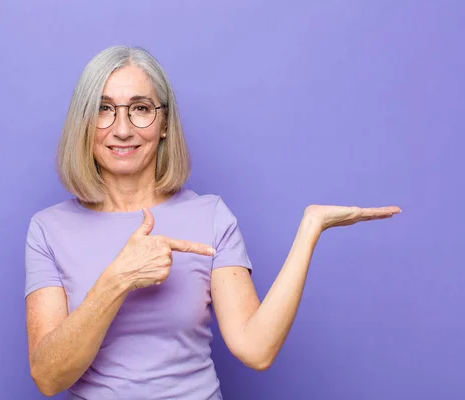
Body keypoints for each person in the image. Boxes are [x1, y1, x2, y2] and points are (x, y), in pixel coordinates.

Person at [24, 45, 401, 399]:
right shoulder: (49, 229)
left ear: (165, 123)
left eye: (140, 108)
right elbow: (49, 377)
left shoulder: (210, 215)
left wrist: (310, 229)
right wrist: (118, 279)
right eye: (104, 109)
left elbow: (256, 350)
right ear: (84, 123)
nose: (122, 129)